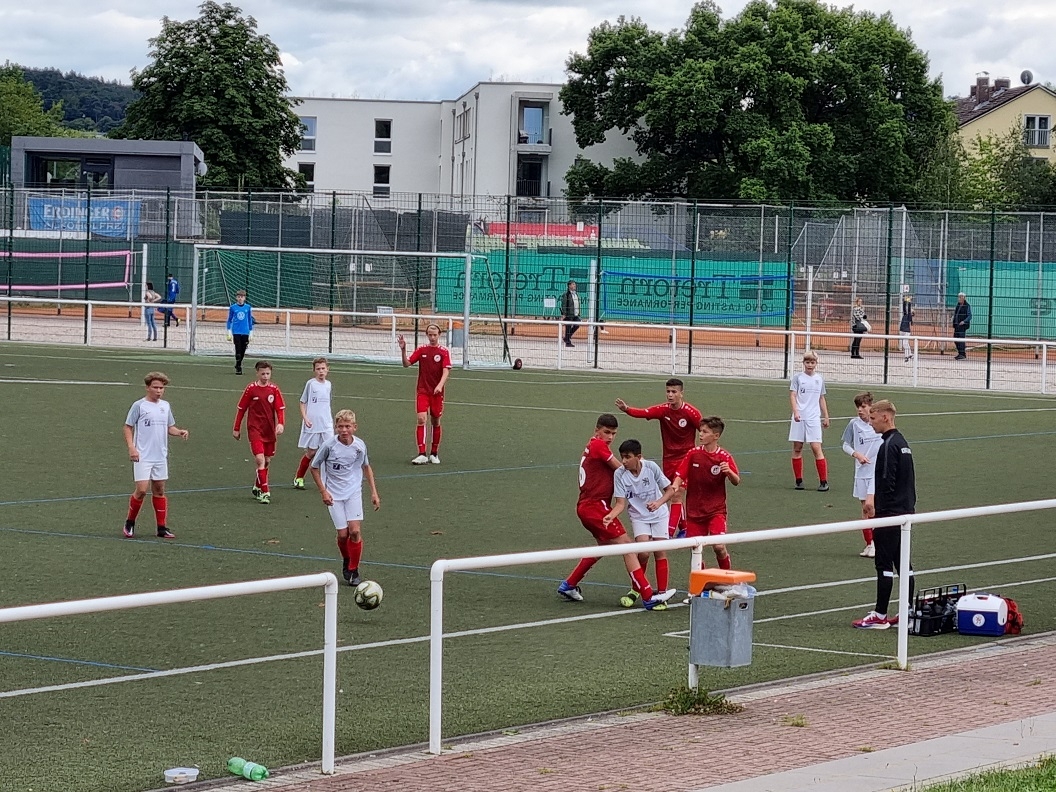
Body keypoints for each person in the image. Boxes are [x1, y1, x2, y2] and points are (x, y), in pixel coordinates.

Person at [557, 414, 675, 610]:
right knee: (627, 546)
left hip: (589, 506)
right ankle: (648, 596)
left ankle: (569, 584)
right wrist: (639, 465)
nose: (610, 437)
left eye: (613, 434)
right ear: (597, 430)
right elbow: (621, 468)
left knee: (603, 546)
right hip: (595, 507)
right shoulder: (598, 445)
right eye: (607, 432)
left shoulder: (593, 445)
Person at [853, 399, 916, 629]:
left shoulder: (888, 445)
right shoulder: (902, 443)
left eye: (873, 418)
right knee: (903, 563)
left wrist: (877, 510)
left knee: (884, 564)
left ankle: (880, 615)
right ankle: (907, 611)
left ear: (885, 417)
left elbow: (886, 481)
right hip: (905, 512)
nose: (870, 423)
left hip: (889, 513)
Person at [614, 378, 702, 538]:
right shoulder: (663, 410)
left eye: (674, 392)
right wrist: (627, 409)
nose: (670, 395)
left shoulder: (691, 412)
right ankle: (684, 527)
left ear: (681, 393)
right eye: (668, 391)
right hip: (668, 460)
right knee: (672, 493)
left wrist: (702, 453)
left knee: (676, 494)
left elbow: (704, 431)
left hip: (685, 459)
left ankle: (669, 533)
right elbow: (644, 413)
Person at [603, 439, 677, 608]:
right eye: (622, 457)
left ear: (638, 457)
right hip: (639, 517)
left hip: (659, 515)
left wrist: (658, 503)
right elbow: (620, 503)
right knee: (643, 552)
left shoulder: (651, 467)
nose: (623, 461)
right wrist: (610, 516)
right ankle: (637, 588)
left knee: (660, 552)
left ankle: (662, 594)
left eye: (627, 457)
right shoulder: (619, 474)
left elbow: (670, 490)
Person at [310, 409, 380, 587]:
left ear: (355, 427)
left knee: (354, 531)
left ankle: (353, 570)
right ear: (335, 427)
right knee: (343, 535)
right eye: (340, 426)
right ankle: (347, 558)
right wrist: (323, 492)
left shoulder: (359, 446)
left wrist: (374, 492)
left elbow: (366, 467)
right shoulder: (328, 446)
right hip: (334, 495)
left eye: (347, 426)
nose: (344, 430)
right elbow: (314, 467)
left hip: (353, 492)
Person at [122, 371, 189, 539]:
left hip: (160, 456)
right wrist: (131, 448)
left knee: (159, 490)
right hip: (143, 455)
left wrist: (179, 431)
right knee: (142, 490)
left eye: (161, 388)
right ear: (147, 388)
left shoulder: (165, 406)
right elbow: (128, 426)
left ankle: (161, 527)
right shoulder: (139, 406)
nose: (159, 391)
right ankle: (130, 522)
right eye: (155, 387)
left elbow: (169, 427)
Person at [671, 416, 740, 573]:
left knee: (719, 546)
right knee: (696, 549)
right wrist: (675, 486)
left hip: (716, 511)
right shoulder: (693, 454)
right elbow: (680, 474)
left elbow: (736, 481)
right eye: (700, 431)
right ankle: (702, 580)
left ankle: (726, 577)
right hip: (694, 512)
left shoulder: (724, 456)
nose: (700, 434)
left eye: (705, 432)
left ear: (716, 436)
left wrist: (728, 472)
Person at [233, 360, 286, 504]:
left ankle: (257, 486)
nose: (265, 376)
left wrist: (280, 423)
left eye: (268, 374)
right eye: (263, 374)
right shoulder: (251, 389)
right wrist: (236, 428)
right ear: (257, 373)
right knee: (260, 459)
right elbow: (241, 409)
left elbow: (280, 409)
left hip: (269, 430)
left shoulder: (274, 389)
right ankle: (265, 492)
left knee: (267, 461)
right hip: (254, 428)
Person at [398, 324, 451, 464]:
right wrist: (403, 350)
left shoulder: (444, 352)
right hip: (423, 391)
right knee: (421, 419)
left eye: (435, 335)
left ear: (439, 335)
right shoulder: (422, 350)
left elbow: (446, 371)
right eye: (430, 335)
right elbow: (406, 364)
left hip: (437, 393)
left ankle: (434, 453)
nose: (432, 337)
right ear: (427, 335)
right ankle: (422, 453)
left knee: (435, 421)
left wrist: (440, 385)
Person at [841, 391, 883, 558]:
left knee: (873, 507)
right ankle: (869, 544)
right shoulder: (854, 424)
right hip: (861, 472)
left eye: (863, 406)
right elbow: (845, 445)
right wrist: (856, 454)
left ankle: (877, 543)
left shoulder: (878, 423)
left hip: (876, 473)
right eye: (858, 407)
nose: (860, 410)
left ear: (871, 407)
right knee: (865, 509)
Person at [789, 350, 830, 491]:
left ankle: (823, 482)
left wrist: (826, 416)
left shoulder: (819, 379)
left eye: (812, 362)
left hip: (813, 418)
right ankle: (799, 480)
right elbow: (793, 395)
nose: (810, 365)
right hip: (799, 417)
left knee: (816, 447)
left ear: (816, 363)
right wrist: (796, 412)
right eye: (807, 362)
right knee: (797, 447)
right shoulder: (797, 378)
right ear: (803, 363)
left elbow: (821, 398)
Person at [294, 357, 333, 490]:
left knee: (329, 451)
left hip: (326, 424)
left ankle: (327, 481)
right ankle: (299, 477)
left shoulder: (328, 385)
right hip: (313, 424)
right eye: (318, 369)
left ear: (327, 369)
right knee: (312, 452)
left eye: (323, 368)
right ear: (314, 370)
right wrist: (305, 418)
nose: (321, 371)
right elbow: (302, 402)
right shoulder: (311, 384)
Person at [226, 290, 255, 375]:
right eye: (238, 297)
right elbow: (229, 320)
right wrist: (229, 330)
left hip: (245, 331)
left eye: (242, 297)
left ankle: (238, 364)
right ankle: (238, 367)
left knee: (243, 349)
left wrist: (251, 331)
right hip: (236, 331)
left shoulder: (248, 307)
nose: (240, 298)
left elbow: (249, 319)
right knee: (238, 349)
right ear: (236, 297)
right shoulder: (233, 307)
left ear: (244, 298)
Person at [561, 280, 581, 347]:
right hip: (569, 314)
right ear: (569, 286)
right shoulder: (566, 294)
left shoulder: (576, 294)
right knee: (568, 328)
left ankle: (567, 337)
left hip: (575, 314)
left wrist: (578, 313)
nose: (574, 285)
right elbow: (563, 305)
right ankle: (568, 342)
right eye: (573, 284)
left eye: (574, 284)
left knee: (577, 324)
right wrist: (564, 314)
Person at [952, 292, 972, 360]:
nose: (959, 298)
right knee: (955, 339)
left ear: (963, 298)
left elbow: (969, 316)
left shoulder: (967, 306)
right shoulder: (958, 305)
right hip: (956, 325)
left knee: (961, 339)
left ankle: (962, 354)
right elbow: (956, 314)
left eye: (960, 297)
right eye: (958, 297)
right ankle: (960, 352)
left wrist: (964, 321)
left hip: (962, 326)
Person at [899, 295, 914, 362]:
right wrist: (905, 301)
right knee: (906, 343)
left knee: (904, 344)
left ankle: (906, 356)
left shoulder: (909, 316)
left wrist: (909, 301)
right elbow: (904, 308)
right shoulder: (905, 315)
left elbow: (909, 309)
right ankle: (910, 354)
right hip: (902, 330)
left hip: (906, 331)